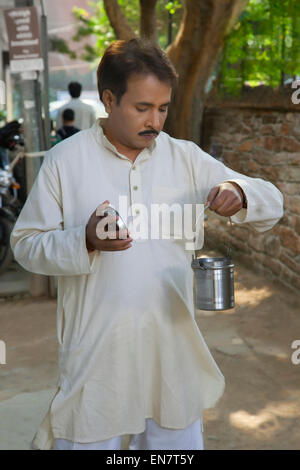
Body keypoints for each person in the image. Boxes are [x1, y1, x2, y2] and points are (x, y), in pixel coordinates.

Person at [10, 38, 284, 451]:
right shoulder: (66, 161)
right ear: (108, 99)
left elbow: (271, 200)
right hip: (97, 357)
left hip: (171, 355)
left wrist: (238, 191)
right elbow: (27, 246)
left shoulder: (185, 158)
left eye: (163, 108)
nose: (155, 121)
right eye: (142, 108)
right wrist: (83, 239)